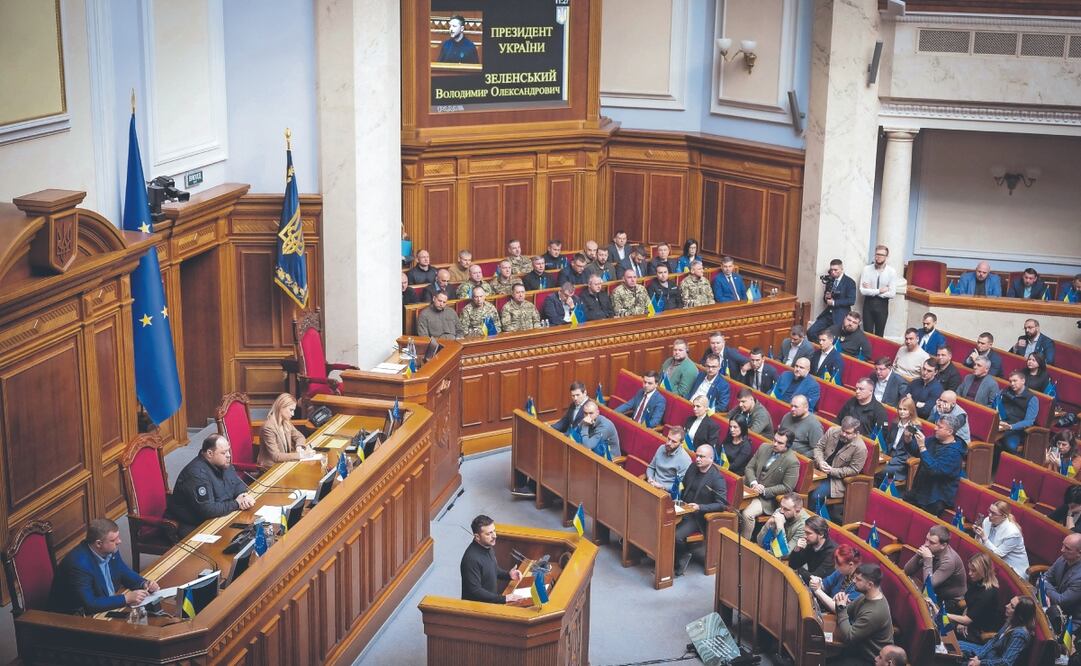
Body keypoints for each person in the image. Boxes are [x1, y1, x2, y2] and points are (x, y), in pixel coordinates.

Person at [48, 518, 160, 614]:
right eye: (114, 540)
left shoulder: (110, 550)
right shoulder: (79, 565)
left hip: (106, 605)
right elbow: (90, 604)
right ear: (98, 543)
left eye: (118, 537)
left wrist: (144, 583)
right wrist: (126, 598)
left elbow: (123, 571)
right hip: (74, 618)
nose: (119, 541)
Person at [166, 434, 256, 536]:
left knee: (251, 530)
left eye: (228, 450)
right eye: (223, 452)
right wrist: (237, 503)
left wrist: (242, 495)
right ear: (210, 453)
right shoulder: (196, 474)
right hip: (195, 525)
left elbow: (236, 482)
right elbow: (208, 510)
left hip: (220, 516)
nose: (228, 455)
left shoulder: (223, 463)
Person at [674, 444, 728, 575]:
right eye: (697, 455)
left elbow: (722, 504)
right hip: (683, 508)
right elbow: (684, 486)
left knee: (676, 536)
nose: (697, 459)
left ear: (711, 459)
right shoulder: (693, 467)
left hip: (698, 516)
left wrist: (700, 507)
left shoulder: (717, 479)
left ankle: (682, 557)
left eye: (701, 457)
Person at [828, 563, 893, 665]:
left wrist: (841, 608)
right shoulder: (866, 596)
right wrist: (840, 602)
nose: (853, 581)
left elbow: (849, 637)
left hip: (869, 659)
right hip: (858, 648)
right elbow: (847, 611)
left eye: (858, 580)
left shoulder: (874, 613)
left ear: (870, 585)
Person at [741, 429, 800, 538]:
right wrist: (753, 483)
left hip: (767, 499)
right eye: (774, 440)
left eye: (780, 443)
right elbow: (749, 467)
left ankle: (744, 545)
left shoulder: (792, 461)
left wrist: (764, 490)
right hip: (751, 488)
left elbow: (787, 487)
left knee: (747, 514)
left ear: (788, 445)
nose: (775, 444)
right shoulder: (764, 447)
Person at [809, 417, 868, 518]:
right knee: (802, 485)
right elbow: (819, 447)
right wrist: (820, 461)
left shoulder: (860, 448)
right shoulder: (832, 431)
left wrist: (832, 471)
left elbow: (854, 470)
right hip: (819, 469)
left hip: (836, 480)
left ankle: (814, 521)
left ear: (856, 434)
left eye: (848, 433)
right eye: (843, 430)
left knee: (815, 496)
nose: (843, 434)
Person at [904, 417, 964, 515]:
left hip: (935, 499)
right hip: (920, 490)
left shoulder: (954, 453)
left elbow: (934, 470)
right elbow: (915, 450)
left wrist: (922, 447)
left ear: (950, 431)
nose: (935, 428)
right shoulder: (933, 440)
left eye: (939, 427)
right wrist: (908, 439)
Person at [903, 525, 967, 612]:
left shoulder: (949, 561)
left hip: (950, 602)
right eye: (926, 539)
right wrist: (918, 554)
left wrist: (928, 560)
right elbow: (907, 570)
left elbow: (928, 586)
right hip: (936, 593)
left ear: (943, 545)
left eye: (932, 542)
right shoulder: (932, 549)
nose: (926, 544)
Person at [460, 515, 521, 604]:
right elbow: (475, 591)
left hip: (489, 603)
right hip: (476, 609)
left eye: (494, 531)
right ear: (477, 537)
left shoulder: (487, 546)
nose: (494, 536)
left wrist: (508, 575)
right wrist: (503, 599)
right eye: (489, 534)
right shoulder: (471, 559)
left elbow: (493, 569)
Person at [958, 596, 1036, 666]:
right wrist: (978, 656)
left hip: (992, 661)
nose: (1006, 606)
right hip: (985, 652)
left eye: (1012, 606)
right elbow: (993, 640)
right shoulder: (1010, 621)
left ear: (1020, 614)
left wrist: (980, 663)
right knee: (956, 645)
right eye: (1009, 603)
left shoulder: (1020, 634)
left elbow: (1006, 662)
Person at [945, 552, 1004, 642]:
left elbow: (967, 620)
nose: (970, 573)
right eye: (969, 570)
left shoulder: (988, 593)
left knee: (944, 623)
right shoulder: (978, 582)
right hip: (969, 621)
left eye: (973, 571)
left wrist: (945, 615)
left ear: (983, 571)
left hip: (978, 632)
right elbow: (969, 605)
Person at [974, 500, 1029, 577]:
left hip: (1013, 570)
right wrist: (978, 535)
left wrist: (984, 538)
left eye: (993, 513)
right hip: (993, 562)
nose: (989, 515)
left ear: (1004, 516)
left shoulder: (1013, 533)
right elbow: (982, 544)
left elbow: (998, 555)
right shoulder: (987, 521)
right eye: (989, 511)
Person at [259, 393, 313, 467]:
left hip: (284, 464)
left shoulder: (286, 422)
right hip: (271, 468)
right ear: (281, 407)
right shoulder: (268, 428)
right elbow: (276, 456)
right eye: (291, 410)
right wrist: (300, 455)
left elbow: (299, 436)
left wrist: (299, 446)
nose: (293, 414)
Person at [808, 259, 856, 338]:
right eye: (831, 270)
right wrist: (826, 297)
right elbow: (825, 299)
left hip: (840, 315)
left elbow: (851, 300)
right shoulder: (830, 280)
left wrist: (834, 302)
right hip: (827, 314)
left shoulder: (849, 282)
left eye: (835, 270)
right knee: (811, 332)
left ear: (841, 269)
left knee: (829, 337)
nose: (833, 272)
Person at [810, 544, 863, 613]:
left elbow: (839, 610)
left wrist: (818, 591)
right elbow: (825, 585)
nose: (835, 567)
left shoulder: (860, 584)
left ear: (851, 565)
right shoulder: (841, 572)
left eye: (839, 565)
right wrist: (817, 582)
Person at [995, 370, 1039, 453]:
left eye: (1015, 381)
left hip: (1016, 429)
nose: (1012, 384)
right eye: (1010, 381)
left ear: (1023, 381)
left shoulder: (1032, 398)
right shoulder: (1005, 391)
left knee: (1009, 446)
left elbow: (1029, 421)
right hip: (1001, 423)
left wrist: (1010, 427)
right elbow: (996, 404)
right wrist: (1000, 421)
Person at [879, 397, 919, 485]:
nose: (901, 411)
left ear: (911, 411)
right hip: (889, 457)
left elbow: (914, 451)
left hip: (902, 463)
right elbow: (888, 441)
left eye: (905, 409)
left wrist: (890, 461)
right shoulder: (895, 423)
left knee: (879, 471)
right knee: (873, 466)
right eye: (900, 409)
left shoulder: (915, 428)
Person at [859, 245, 897, 336]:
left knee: (880, 334)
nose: (879, 256)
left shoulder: (891, 272)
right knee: (867, 333)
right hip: (868, 304)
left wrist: (871, 290)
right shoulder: (867, 269)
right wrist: (879, 291)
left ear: (886, 257)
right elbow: (862, 290)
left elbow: (892, 294)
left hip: (882, 305)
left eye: (882, 255)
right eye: (877, 254)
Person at [1043, 532, 1081, 622]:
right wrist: (1046, 585)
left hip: (1070, 619)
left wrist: (1043, 586)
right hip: (1052, 606)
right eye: (1063, 545)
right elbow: (1045, 577)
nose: (1062, 550)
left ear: (1079, 553)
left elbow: (1061, 601)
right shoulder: (1063, 558)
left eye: (1067, 548)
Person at [758, 492, 808, 557]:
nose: (781, 511)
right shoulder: (780, 511)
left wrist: (780, 527)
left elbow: (784, 554)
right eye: (781, 506)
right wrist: (768, 524)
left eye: (786, 509)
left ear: (797, 511)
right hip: (770, 552)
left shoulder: (804, 525)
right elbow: (760, 541)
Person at [788, 515, 837, 582]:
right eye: (805, 532)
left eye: (808, 533)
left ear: (821, 534)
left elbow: (815, 578)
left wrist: (799, 570)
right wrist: (797, 549)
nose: (805, 536)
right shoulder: (810, 544)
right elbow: (793, 565)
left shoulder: (833, 552)